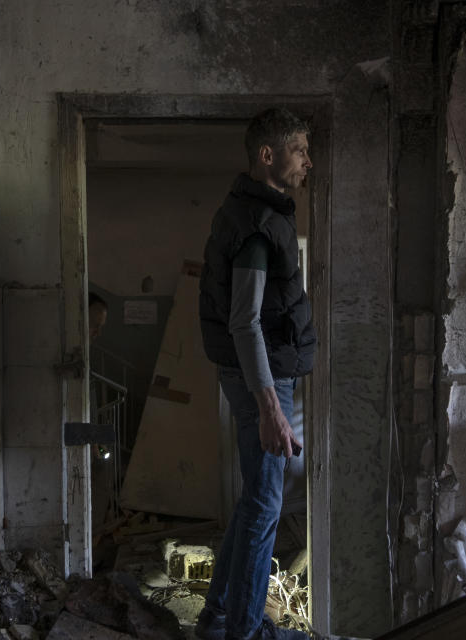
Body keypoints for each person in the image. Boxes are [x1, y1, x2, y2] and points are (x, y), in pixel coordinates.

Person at [196, 108, 316, 640]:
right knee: (267, 505)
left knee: (254, 502)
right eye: (300, 150)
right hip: (261, 378)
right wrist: (271, 408)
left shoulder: (255, 213)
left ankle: (218, 616)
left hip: (259, 371)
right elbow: (244, 320)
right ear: (267, 155)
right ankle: (245, 633)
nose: (308, 160)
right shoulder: (258, 226)